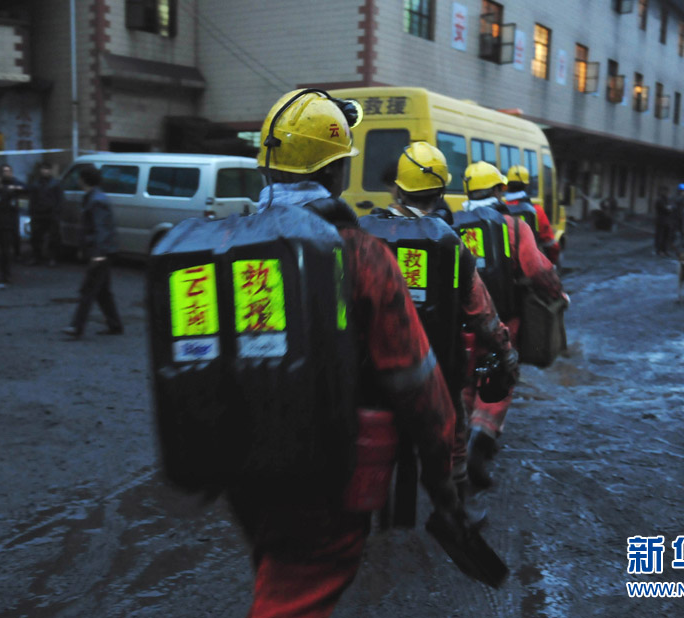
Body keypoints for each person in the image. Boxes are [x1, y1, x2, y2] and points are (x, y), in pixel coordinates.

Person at [227, 90, 464, 617]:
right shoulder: (362, 256)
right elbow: (418, 383)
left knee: (276, 570)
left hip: (241, 467)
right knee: (295, 593)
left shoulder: (228, 243)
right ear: (336, 172)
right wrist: (443, 483)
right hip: (325, 472)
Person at [383, 141, 518, 495]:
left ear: (397, 189)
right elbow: (481, 312)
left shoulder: (366, 235)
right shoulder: (449, 243)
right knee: (455, 430)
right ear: (442, 192)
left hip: (377, 371)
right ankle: (455, 502)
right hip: (439, 371)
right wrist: (506, 352)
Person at [461, 161, 565, 487]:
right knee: (497, 381)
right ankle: (480, 437)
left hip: (459, 324)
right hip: (504, 321)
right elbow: (538, 270)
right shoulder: (514, 226)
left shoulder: (450, 225)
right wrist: (557, 294)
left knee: (464, 380)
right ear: (497, 190)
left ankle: (463, 433)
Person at [61, 164, 123, 338]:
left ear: (83, 180)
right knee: (102, 291)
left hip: (101, 252)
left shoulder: (96, 200)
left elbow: (101, 229)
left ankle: (76, 326)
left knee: (88, 289)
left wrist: (98, 254)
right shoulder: (94, 197)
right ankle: (115, 324)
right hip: (102, 250)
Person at [504, 165, 560, 264]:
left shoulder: (498, 210)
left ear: (507, 185)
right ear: (526, 186)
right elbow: (549, 243)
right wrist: (552, 262)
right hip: (530, 266)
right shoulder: (535, 210)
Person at [27, 162, 64, 266]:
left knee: (53, 237)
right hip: (38, 214)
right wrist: (32, 212)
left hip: (51, 214)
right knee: (36, 237)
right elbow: (32, 199)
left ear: (50, 170)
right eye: (43, 169)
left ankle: (52, 258)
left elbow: (60, 200)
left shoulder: (55, 184)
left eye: (47, 169)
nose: (45, 171)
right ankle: (36, 256)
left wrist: (57, 212)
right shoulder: (36, 184)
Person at [1, 164, 27, 261]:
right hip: (3, 211)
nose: (6, 173)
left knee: (15, 234)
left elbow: (25, 187)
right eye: (5, 171)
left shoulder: (15, 181)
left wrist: (16, 188)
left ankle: (17, 254)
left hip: (13, 211)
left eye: (8, 171)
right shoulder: (1, 183)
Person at [653, 186, 673, 256]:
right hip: (661, 220)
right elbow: (665, 209)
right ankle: (659, 250)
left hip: (668, 221)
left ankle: (665, 250)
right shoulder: (659, 200)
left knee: (666, 236)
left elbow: (672, 208)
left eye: (667, 192)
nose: (667, 193)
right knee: (660, 236)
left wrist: (669, 208)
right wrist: (668, 208)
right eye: (665, 191)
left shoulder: (668, 200)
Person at [672, 183, 684, 248]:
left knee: (683, 230)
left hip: (683, 216)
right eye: (681, 190)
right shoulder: (676, 197)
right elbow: (674, 204)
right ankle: (674, 242)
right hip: (676, 216)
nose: (682, 192)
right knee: (675, 230)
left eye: (683, 191)